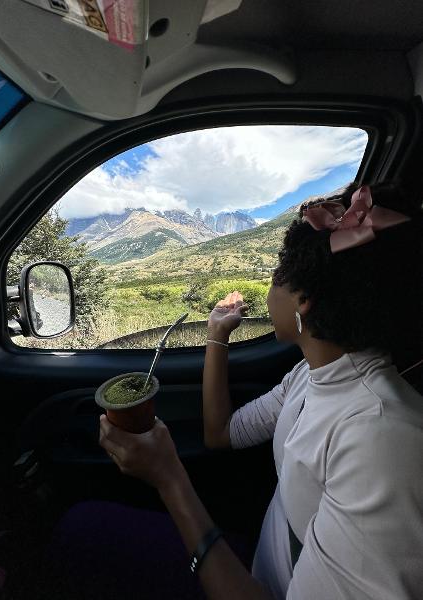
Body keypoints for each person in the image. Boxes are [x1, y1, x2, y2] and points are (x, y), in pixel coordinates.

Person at [47, 182, 423, 599]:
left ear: (303, 300)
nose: (269, 288)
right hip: (253, 563)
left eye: (279, 273)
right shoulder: (311, 376)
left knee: (76, 531)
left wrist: (169, 478)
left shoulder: (383, 438)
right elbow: (221, 433)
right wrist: (216, 335)